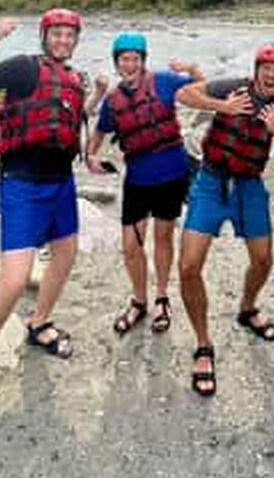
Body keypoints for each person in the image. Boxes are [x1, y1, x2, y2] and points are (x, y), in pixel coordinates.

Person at [0, 9, 87, 416]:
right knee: (13, 280)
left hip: (61, 184)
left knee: (65, 257)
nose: (64, 40)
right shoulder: (22, 68)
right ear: (45, 35)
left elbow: (70, 128)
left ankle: (39, 323)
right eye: (57, 33)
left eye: (70, 34)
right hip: (23, 186)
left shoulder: (74, 79)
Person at [177, 44, 274, 398]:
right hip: (210, 180)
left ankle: (247, 308)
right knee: (189, 265)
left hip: (249, 186)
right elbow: (184, 93)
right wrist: (223, 106)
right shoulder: (233, 86)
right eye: (265, 68)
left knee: (264, 259)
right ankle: (203, 345)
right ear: (256, 69)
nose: (270, 74)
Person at [86, 32, 202, 335]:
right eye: (124, 59)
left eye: (135, 59)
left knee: (163, 239)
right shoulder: (113, 100)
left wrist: (190, 68)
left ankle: (162, 298)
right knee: (130, 246)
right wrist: (90, 155)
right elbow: (99, 132)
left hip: (172, 175)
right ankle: (139, 301)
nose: (130, 64)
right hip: (138, 180)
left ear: (143, 60)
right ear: (117, 63)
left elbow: (202, 89)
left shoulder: (164, 81)